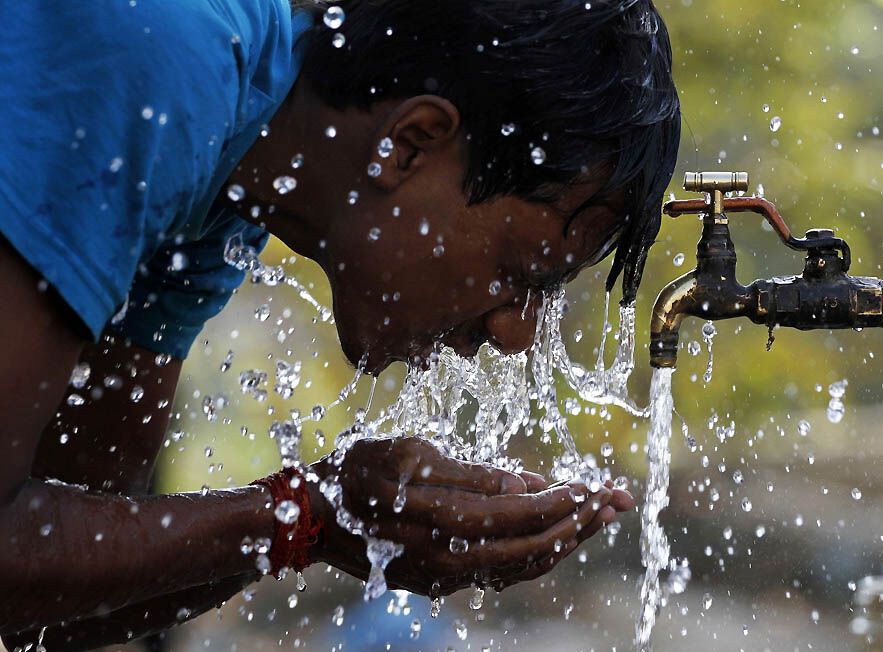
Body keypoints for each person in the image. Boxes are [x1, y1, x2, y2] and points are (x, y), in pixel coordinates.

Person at [0, 0, 680, 649]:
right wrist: (311, 514)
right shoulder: (161, 56)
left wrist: (310, 517)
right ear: (411, 144)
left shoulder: (223, 191)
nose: (516, 332)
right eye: (525, 272)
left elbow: (54, 611)